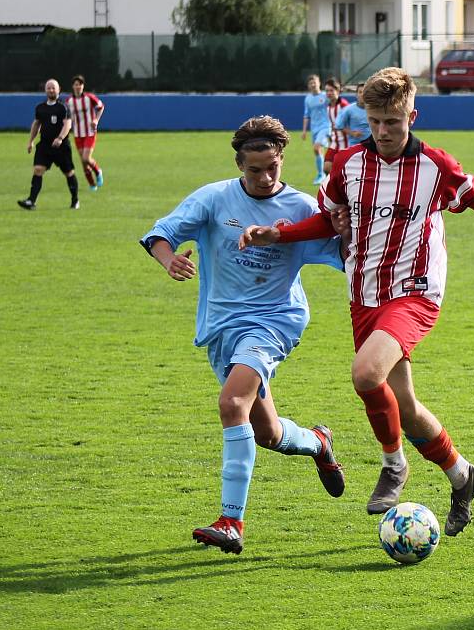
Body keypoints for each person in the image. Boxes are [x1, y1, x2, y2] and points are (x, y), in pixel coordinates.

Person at [240, 68, 474, 538]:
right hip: (364, 292)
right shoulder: (346, 164)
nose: (384, 131)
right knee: (404, 404)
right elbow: (330, 222)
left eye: (392, 121)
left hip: (415, 291)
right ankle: (462, 476)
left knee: (365, 374)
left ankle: (394, 465)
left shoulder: (435, 166)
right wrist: (279, 233)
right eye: (374, 121)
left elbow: (470, 191)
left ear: (413, 114)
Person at [140, 115, 347, 555]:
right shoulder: (214, 199)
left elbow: (348, 255)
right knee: (267, 432)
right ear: (239, 164)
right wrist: (168, 260)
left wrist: (349, 231)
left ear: (281, 159)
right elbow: (160, 234)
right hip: (221, 327)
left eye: (272, 166)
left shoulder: (301, 208)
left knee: (232, 403)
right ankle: (318, 442)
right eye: (255, 169)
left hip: (275, 320)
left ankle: (231, 521)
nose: (265, 177)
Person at [17, 78, 80, 211]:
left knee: (69, 173)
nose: (51, 90)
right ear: (45, 90)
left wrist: (60, 138)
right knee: (38, 170)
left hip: (61, 147)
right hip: (45, 145)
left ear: (59, 90)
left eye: (53, 88)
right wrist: (30, 141)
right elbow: (36, 124)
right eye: (49, 88)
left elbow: (67, 124)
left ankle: (75, 200)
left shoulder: (63, 107)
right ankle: (31, 201)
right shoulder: (40, 108)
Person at [66, 75, 105, 192]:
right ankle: (92, 185)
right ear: (73, 86)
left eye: (80, 84)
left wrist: (96, 120)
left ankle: (98, 171)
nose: (78, 87)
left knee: (86, 158)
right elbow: (66, 116)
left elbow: (101, 107)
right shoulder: (69, 101)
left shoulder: (89, 97)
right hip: (77, 134)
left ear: (83, 86)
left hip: (90, 132)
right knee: (83, 162)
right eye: (76, 84)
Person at [301, 74, 331, 185]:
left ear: (319, 83)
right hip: (314, 128)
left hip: (326, 126)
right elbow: (306, 115)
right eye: (310, 83)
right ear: (308, 85)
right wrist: (304, 131)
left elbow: (334, 104)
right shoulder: (308, 99)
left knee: (316, 147)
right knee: (318, 151)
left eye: (315, 82)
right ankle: (324, 174)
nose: (313, 84)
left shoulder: (326, 95)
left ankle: (321, 175)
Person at [322, 77, 349, 176]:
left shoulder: (343, 105)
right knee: (326, 168)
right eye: (327, 91)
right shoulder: (329, 106)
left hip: (345, 144)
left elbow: (349, 124)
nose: (329, 93)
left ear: (338, 91)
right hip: (334, 142)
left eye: (331, 90)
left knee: (342, 171)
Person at [333, 82, 370, 148]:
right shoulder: (348, 109)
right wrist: (352, 133)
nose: (362, 94)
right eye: (360, 92)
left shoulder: (374, 110)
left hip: (371, 146)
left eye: (365, 92)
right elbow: (338, 125)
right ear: (356, 95)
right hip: (355, 146)